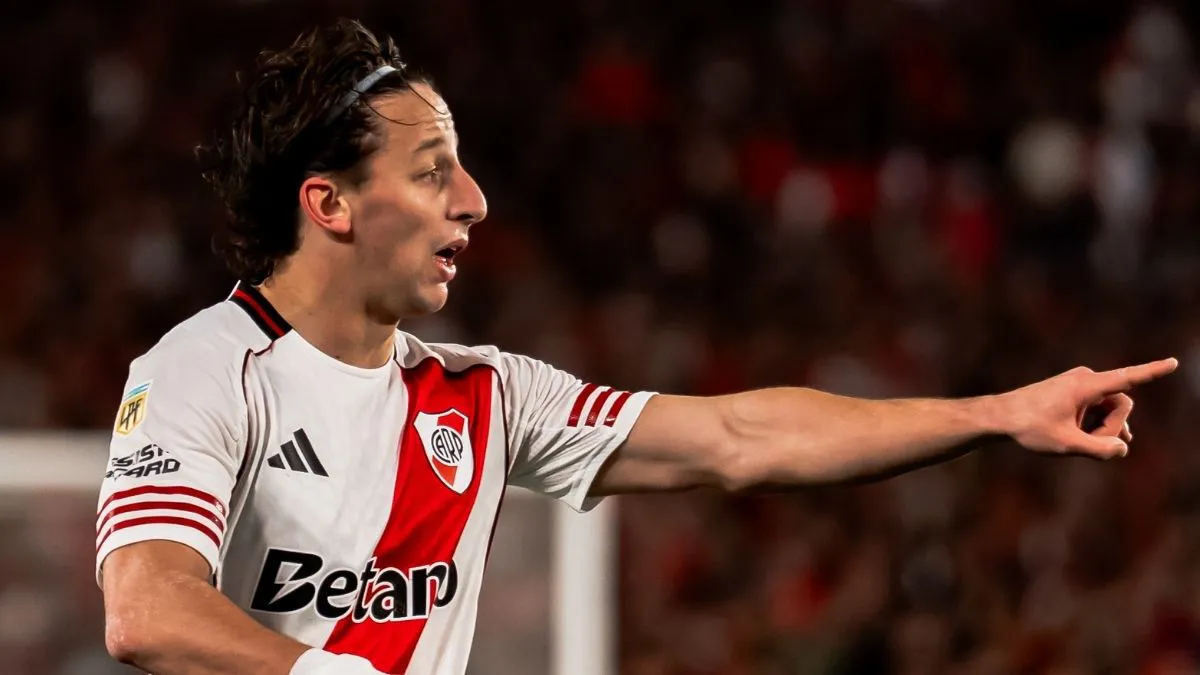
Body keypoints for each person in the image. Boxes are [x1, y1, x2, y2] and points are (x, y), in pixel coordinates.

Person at [95, 18, 1177, 675]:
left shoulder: (484, 396)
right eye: (431, 172)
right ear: (329, 203)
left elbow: (741, 437)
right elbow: (146, 609)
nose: (473, 200)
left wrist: (996, 414)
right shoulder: (202, 369)